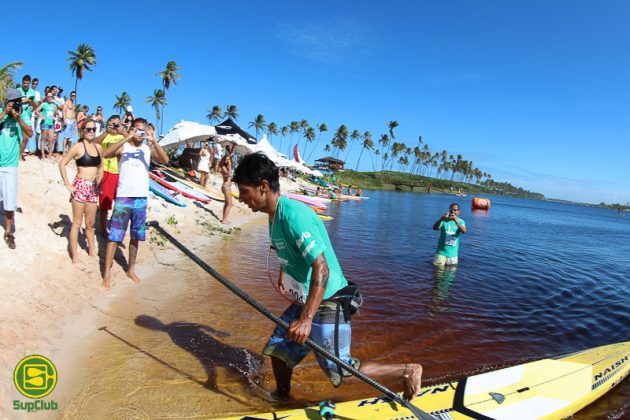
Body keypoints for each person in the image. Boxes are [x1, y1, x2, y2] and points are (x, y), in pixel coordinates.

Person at [233, 152, 422, 401]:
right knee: (279, 350)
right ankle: (282, 398)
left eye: (244, 191)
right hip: (307, 296)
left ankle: (407, 371)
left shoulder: (294, 216)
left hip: (329, 296)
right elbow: (286, 249)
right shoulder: (274, 216)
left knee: (340, 372)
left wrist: (306, 320)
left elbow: (322, 268)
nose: (241, 197)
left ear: (263, 187)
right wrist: (284, 274)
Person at [101, 118, 168, 289]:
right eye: (137, 130)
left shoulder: (147, 148)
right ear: (131, 129)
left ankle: (130, 269)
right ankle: (107, 273)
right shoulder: (124, 147)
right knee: (114, 236)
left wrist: (154, 141)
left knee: (136, 236)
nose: (140, 134)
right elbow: (106, 154)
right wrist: (126, 137)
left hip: (141, 198)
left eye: (143, 130)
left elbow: (165, 160)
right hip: (124, 197)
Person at [58, 119, 103, 270]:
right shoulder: (78, 146)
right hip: (80, 186)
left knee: (90, 224)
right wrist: (67, 184)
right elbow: (62, 163)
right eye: (88, 129)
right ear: (82, 131)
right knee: (77, 223)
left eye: (93, 129)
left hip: (93, 187)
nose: (91, 131)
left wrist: (100, 181)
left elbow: (101, 166)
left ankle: (92, 251)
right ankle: (75, 258)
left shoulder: (98, 147)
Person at [0, 89, 34, 249]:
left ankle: (8, 232)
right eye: (13, 102)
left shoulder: (20, 115)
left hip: (10, 166)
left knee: (9, 201)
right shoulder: (1, 113)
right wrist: (4, 113)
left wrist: (18, 118)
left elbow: (30, 133)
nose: (15, 105)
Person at [95, 115, 127, 236]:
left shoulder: (123, 136)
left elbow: (133, 140)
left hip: (120, 172)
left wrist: (123, 131)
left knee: (120, 203)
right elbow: (94, 143)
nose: (114, 125)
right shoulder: (105, 135)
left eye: (117, 123)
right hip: (106, 170)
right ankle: (103, 230)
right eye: (112, 123)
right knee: (105, 203)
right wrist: (106, 132)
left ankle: (113, 226)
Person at [17, 75, 37, 159]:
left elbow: (35, 107)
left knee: (27, 137)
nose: (26, 85)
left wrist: (31, 102)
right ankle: (16, 155)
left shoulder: (32, 92)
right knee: (16, 137)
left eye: (27, 83)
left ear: (29, 83)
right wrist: (24, 100)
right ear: (22, 83)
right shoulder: (18, 90)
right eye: (24, 83)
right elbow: (14, 103)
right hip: (17, 116)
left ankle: (19, 155)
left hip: (27, 117)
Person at [34, 93, 58, 160]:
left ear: (52, 97)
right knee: (43, 139)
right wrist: (41, 116)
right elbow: (36, 111)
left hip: (51, 124)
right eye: (48, 97)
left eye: (51, 96)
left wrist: (56, 114)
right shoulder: (44, 104)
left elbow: (56, 113)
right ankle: (43, 156)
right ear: (46, 97)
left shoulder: (54, 105)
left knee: (51, 139)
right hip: (44, 123)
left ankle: (50, 155)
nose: (49, 98)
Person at [218, 145, 233, 224]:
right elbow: (229, 175)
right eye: (227, 159)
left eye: (229, 159)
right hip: (226, 186)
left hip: (227, 186)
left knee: (227, 203)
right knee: (229, 204)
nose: (228, 160)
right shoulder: (223, 167)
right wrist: (230, 165)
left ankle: (225, 218)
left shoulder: (225, 166)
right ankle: (224, 220)